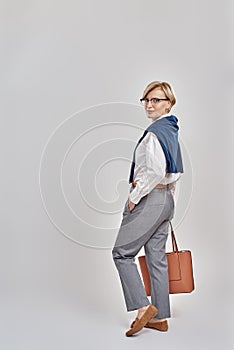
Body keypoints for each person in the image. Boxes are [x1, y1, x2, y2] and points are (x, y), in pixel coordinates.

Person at [112, 81, 184, 337]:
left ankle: (143, 309)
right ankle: (160, 317)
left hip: (150, 198)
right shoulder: (171, 130)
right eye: (147, 100)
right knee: (156, 257)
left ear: (169, 103)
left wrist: (135, 197)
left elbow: (155, 171)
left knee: (121, 253)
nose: (150, 105)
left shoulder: (155, 133)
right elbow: (173, 172)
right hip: (166, 200)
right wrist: (169, 202)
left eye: (157, 100)